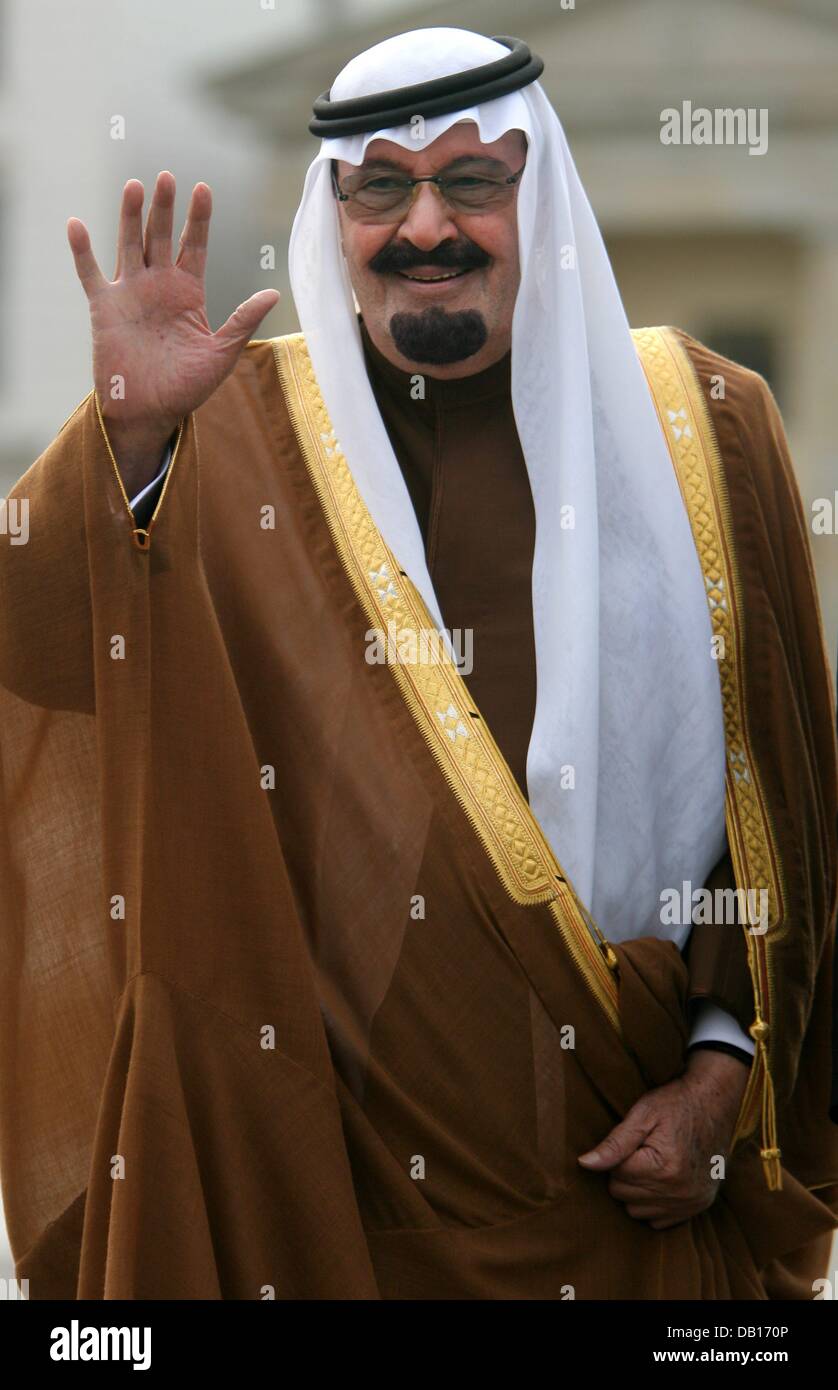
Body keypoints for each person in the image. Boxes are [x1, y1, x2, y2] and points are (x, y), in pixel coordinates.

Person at [0, 27, 835, 1301]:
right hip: (346, 1219)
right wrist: (123, 446)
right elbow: (45, 653)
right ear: (333, 215)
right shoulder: (226, 439)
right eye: (379, 187)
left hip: (640, 1212)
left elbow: (778, 814)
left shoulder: (709, 430)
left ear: (538, 193)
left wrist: (726, 1075)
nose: (424, 225)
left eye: (472, 182)